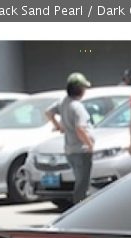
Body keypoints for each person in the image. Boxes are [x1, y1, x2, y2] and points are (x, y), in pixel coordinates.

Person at [45, 72, 95, 207]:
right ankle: (80, 209)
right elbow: (80, 128)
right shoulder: (77, 106)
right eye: (84, 87)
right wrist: (89, 144)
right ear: (79, 89)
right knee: (82, 184)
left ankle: (80, 207)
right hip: (81, 150)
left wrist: (58, 126)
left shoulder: (64, 102)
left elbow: (48, 112)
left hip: (70, 149)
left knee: (80, 181)